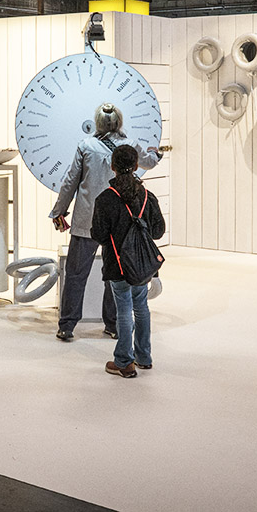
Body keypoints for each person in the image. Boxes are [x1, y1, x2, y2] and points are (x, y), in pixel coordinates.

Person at [49, 102, 161, 342]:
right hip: (119, 222)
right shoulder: (130, 145)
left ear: (97, 123)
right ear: (119, 122)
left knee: (76, 274)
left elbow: (70, 182)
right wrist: (156, 154)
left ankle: (67, 325)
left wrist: (58, 211)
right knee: (116, 273)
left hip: (86, 219)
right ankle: (113, 324)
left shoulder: (85, 146)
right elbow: (149, 163)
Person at [91, 144, 165, 378]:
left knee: (123, 309)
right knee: (141, 307)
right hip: (141, 265)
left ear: (112, 166)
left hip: (117, 264)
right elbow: (158, 231)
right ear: (136, 166)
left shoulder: (105, 199)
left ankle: (124, 362)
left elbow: (99, 235)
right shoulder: (147, 197)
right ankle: (144, 357)